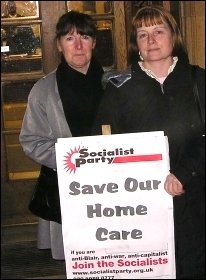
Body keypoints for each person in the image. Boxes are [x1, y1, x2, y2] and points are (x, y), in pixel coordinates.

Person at [93, 5, 205, 279]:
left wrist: (184, 173)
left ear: (174, 36)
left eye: (158, 31)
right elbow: (103, 144)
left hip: (195, 199)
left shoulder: (198, 79)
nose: (151, 40)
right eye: (142, 34)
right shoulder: (120, 88)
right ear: (136, 44)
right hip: (142, 205)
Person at [19, 10, 104, 260]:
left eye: (85, 37)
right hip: (67, 189)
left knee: (114, 252)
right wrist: (73, 160)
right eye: (69, 38)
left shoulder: (116, 82)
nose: (78, 46)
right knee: (76, 257)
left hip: (114, 188)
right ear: (58, 44)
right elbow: (31, 141)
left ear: (94, 43)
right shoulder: (43, 90)